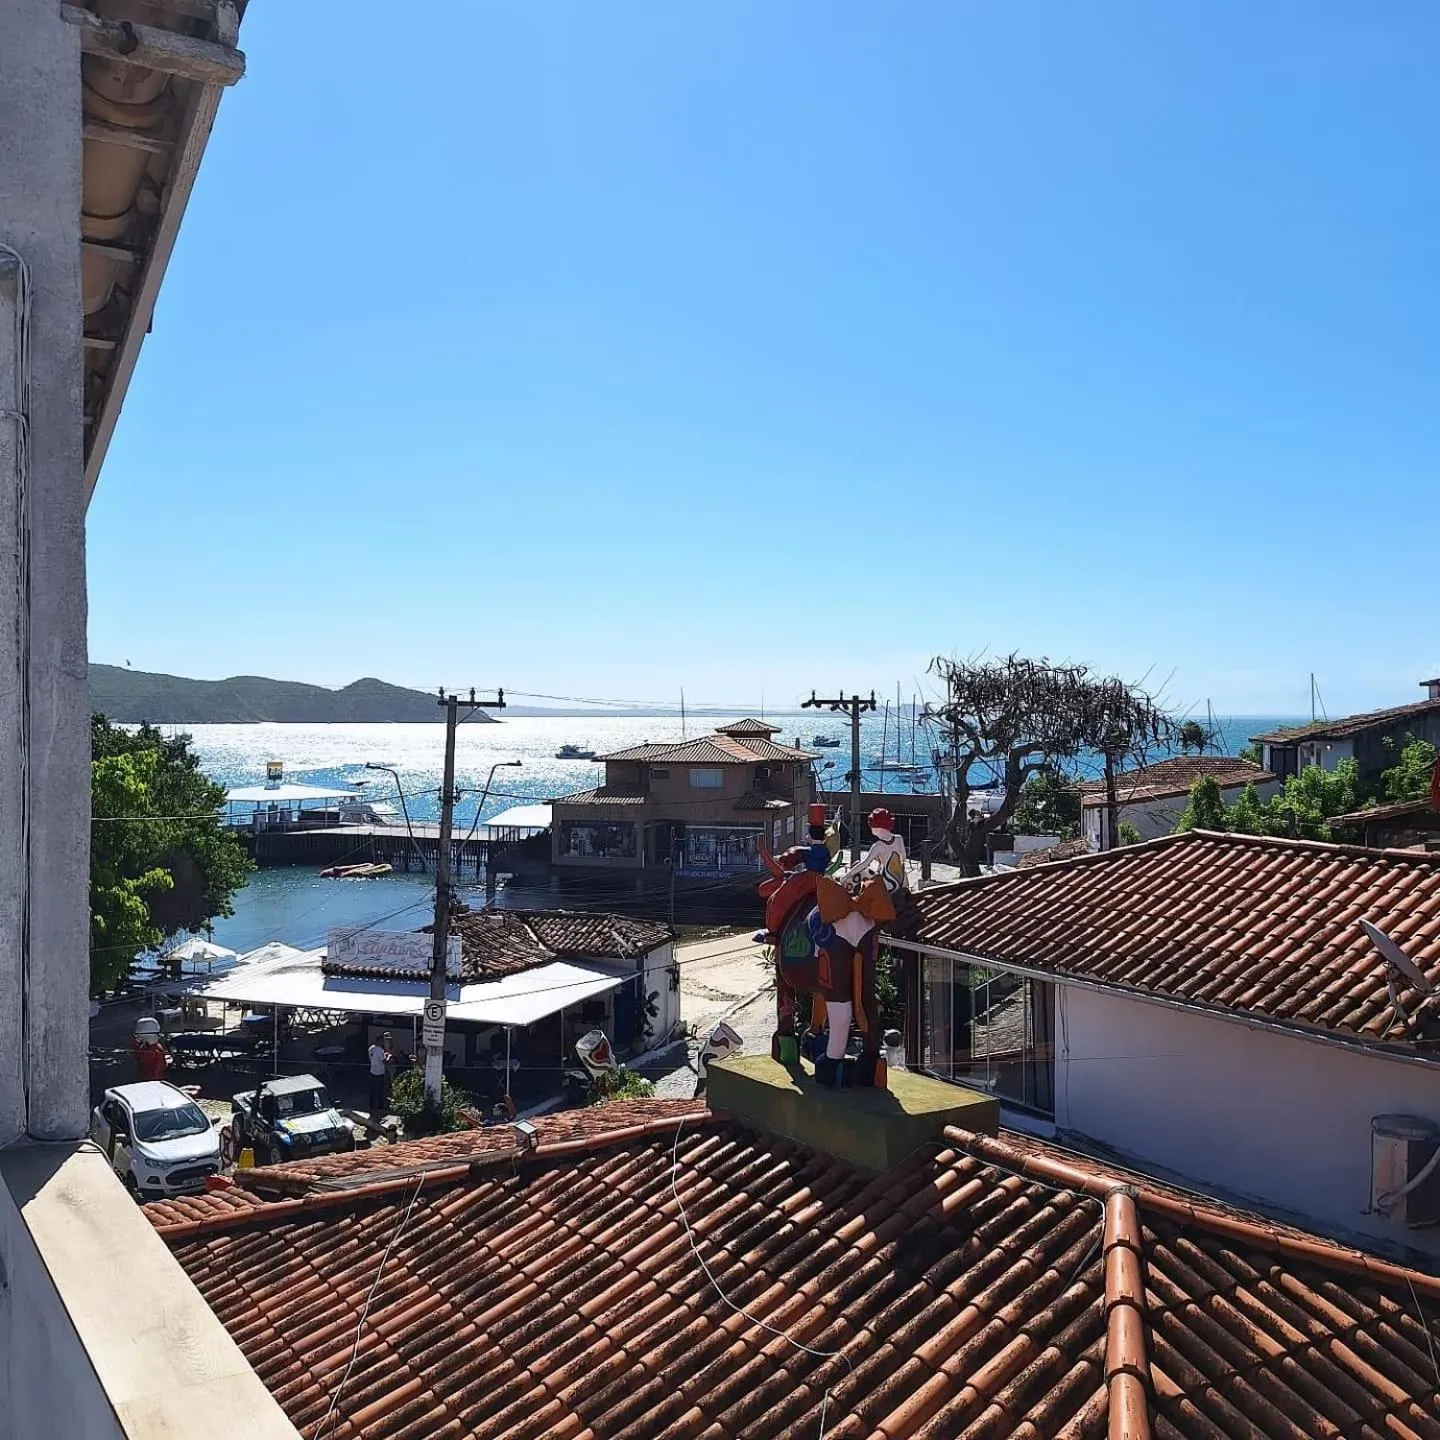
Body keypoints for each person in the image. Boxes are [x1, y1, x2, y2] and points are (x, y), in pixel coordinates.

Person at [367, 1031, 394, 1116]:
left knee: (372, 1090)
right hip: (379, 1073)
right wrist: (389, 1057)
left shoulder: (371, 1048)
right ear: (379, 1041)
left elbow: (373, 1057)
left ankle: (372, 1105)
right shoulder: (380, 1050)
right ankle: (380, 1106)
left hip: (372, 1071)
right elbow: (385, 1062)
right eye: (382, 1041)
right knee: (380, 1090)